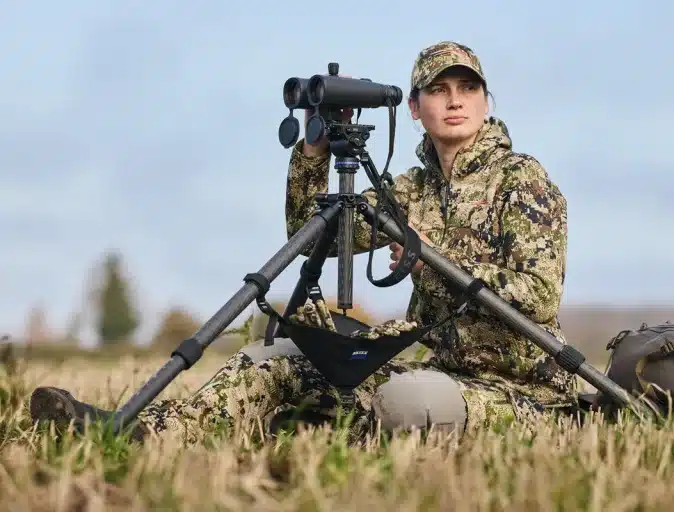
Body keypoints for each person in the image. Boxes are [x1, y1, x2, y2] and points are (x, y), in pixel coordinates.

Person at [28, 41, 577, 444]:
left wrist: (433, 260)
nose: (455, 101)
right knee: (274, 363)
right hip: (439, 372)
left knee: (404, 402)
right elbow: (314, 236)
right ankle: (141, 434)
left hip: (522, 391)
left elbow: (538, 296)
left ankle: (329, 441)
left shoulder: (522, 180)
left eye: (467, 88)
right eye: (438, 90)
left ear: (486, 101)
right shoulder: (410, 190)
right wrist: (313, 150)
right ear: (414, 108)